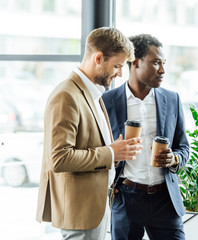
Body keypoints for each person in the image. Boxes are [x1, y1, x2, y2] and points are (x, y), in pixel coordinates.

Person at [36, 27, 143, 240]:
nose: (120, 74)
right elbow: (59, 158)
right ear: (99, 58)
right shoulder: (66, 95)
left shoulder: (92, 93)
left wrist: (117, 151)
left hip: (95, 207)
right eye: (117, 66)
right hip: (80, 212)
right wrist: (111, 154)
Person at [102, 33, 189, 240]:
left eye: (163, 63)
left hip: (165, 200)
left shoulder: (172, 99)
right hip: (126, 198)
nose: (162, 70)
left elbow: (183, 147)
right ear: (136, 62)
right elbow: (99, 148)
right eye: (156, 62)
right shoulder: (107, 101)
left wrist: (174, 158)